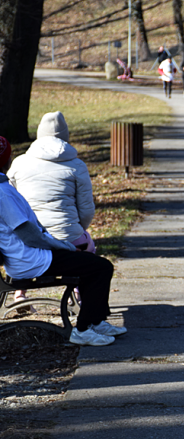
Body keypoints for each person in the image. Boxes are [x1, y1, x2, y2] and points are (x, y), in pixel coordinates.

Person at [0, 136, 126, 347]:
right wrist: (63, 246)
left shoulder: (4, 187)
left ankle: (96, 321)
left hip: (28, 255)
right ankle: (84, 328)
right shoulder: (3, 193)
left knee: (90, 264)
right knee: (100, 267)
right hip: (30, 259)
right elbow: (29, 236)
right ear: (7, 160)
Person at [8, 111, 97, 304]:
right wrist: (76, 228)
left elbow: (11, 205)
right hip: (68, 237)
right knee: (89, 247)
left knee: (27, 243)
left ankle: (20, 294)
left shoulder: (19, 163)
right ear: (65, 136)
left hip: (29, 239)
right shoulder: (77, 165)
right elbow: (87, 210)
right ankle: (80, 294)